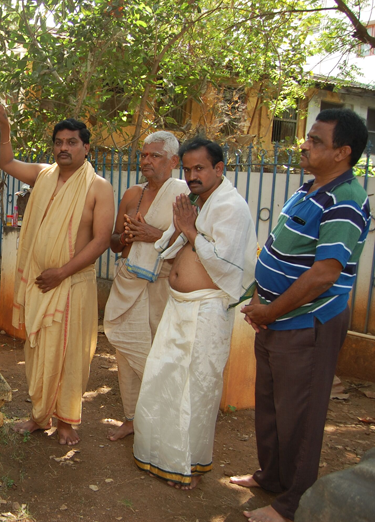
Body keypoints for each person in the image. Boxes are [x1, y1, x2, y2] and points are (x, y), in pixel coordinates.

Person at [232, 109, 371, 522]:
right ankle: (271, 477)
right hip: (276, 318)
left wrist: (271, 311)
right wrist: (264, 304)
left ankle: (292, 503)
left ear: (343, 152)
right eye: (307, 137)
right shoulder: (309, 190)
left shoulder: (345, 200)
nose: (304, 145)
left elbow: (324, 274)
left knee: (301, 416)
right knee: (272, 406)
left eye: (316, 141)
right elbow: (280, 249)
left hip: (307, 322)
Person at [133, 138, 257, 489]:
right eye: (187, 169)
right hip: (178, 306)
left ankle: (186, 467)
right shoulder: (197, 201)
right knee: (164, 380)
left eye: (199, 168)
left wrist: (188, 229)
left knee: (195, 390)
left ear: (219, 168)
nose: (191, 176)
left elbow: (224, 262)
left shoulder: (230, 206)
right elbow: (173, 247)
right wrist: (180, 227)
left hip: (205, 310)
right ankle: (160, 456)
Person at [0, 101, 115, 446]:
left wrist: (61, 272)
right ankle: (38, 415)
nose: (64, 148)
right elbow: (6, 162)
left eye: (72, 142)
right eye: (59, 142)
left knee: (71, 354)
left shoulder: (98, 187)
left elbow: (102, 239)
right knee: (39, 351)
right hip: (41, 284)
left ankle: (65, 421)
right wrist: (4, 125)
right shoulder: (44, 175)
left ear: (86, 147)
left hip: (73, 284)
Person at [104, 131, 189, 441]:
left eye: (155, 156)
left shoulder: (183, 196)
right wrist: (126, 237)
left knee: (158, 352)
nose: (146, 161)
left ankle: (160, 420)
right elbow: (113, 242)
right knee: (127, 353)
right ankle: (131, 417)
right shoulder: (131, 194)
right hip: (128, 279)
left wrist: (153, 234)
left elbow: (191, 246)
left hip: (162, 286)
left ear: (174, 161)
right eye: (143, 155)